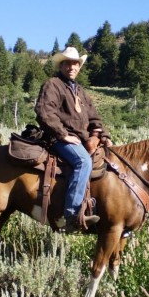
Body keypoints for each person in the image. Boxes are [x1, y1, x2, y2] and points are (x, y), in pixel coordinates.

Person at [35, 46, 111, 232]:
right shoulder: (52, 84)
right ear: (61, 66)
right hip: (58, 138)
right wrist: (63, 135)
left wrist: (103, 135)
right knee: (83, 161)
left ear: (79, 66)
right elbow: (44, 112)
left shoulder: (80, 91)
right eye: (67, 63)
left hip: (80, 139)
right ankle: (72, 215)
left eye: (75, 63)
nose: (72, 67)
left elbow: (94, 117)